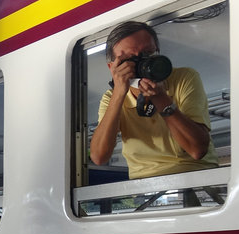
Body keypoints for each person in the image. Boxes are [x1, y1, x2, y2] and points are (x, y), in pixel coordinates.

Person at [90, 21, 218, 179]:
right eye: (131, 59)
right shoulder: (111, 98)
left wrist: (161, 98)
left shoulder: (184, 78)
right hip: (144, 184)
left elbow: (197, 150)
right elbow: (99, 157)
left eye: (148, 54)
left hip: (195, 175)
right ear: (113, 67)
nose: (143, 63)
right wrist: (118, 93)